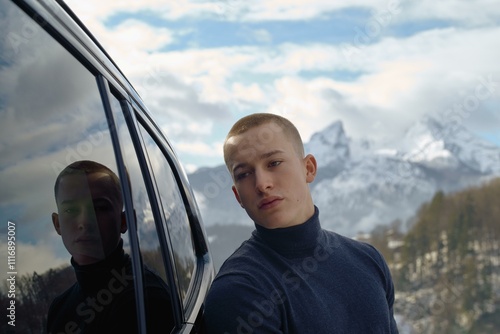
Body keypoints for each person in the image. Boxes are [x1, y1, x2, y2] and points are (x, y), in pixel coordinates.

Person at [204, 113, 399, 333]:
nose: (262, 183)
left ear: (309, 168)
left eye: (274, 163)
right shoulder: (239, 290)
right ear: (238, 196)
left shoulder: (368, 260)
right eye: (244, 174)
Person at [47, 160, 174, 334]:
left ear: (124, 221)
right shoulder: (59, 307)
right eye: (71, 210)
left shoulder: (145, 299)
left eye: (99, 208)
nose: (84, 221)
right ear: (57, 224)